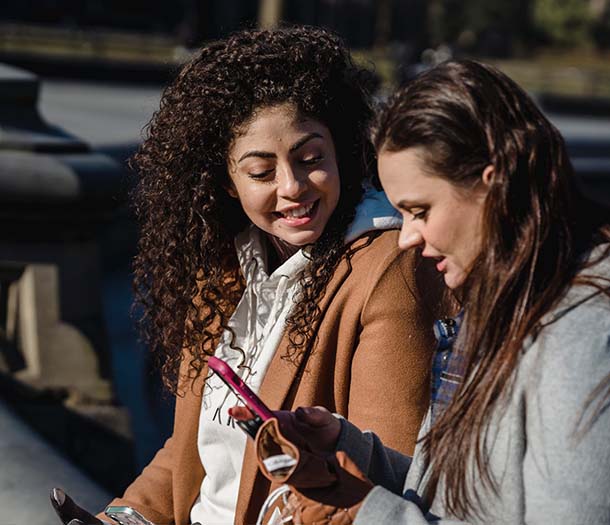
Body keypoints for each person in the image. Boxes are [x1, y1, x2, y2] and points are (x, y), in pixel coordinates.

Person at [50, 26, 446, 525]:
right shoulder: (223, 266)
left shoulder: (389, 268)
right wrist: (122, 518)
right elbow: (193, 448)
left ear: (341, 149)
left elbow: (379, 487)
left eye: (310, 160)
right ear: (227, 182)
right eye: (261, 172)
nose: (293, 187)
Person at [247, 60, 610, 524]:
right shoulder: (504, 296)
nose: (407, 237)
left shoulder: (581, 330)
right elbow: (449, 496)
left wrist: (363, 513)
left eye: (420, 210)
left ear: (493, 184)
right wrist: (347, 447)